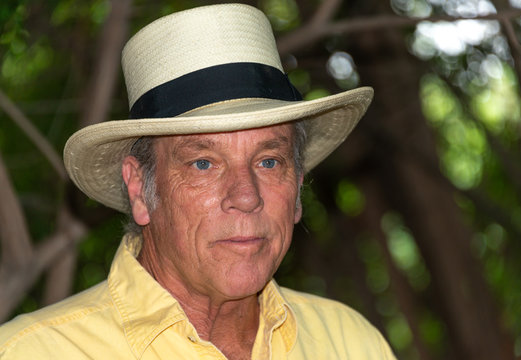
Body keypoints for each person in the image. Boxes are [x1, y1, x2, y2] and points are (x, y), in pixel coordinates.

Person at [0, 4, 395, 359]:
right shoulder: (36, 352)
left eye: (269, 161)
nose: (245, 197)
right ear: (140, 189)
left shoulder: (350, 343)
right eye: (204, 164)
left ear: (297, 191)